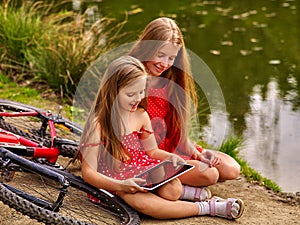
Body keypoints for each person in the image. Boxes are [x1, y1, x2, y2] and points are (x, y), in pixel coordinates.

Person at [78, 55, 244, 220]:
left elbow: (152, 151)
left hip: (140, 169)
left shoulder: (141, 115)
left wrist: (170, 157)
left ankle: (185, 193)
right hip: (115, 179)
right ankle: (208, 207)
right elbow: (88, 173)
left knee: (173, 190)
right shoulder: (98, 125)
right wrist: (121, 185)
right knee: (144, 204)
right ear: (112, 92)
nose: (138, 99)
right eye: (130, 94)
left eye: (142, 92)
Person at [128, 17, 241, 195]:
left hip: (170, 147)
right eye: (160, 54)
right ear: (147, 48)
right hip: (146, 154)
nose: (164, 63)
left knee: (231, 168)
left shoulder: (171, 80)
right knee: (209, 175)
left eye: (171, 57)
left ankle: (179, 180)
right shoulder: (131, 77)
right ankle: (184, 191)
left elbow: (177, 133)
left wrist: (197, 154)